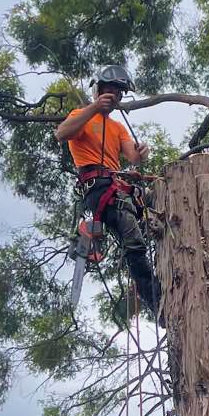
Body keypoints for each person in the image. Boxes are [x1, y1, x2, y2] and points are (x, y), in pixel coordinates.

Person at [55, 61, 161, 313]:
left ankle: (169, 260)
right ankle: (155, 299)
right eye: (109, 90)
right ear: (99, 90)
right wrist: (93, 108)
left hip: (117, 185)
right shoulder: (80, 117)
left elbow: (133, 157)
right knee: (132, 237)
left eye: (118, 92)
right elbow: (62, 134)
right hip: (99, 188)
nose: (114, 95)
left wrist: (142, 152)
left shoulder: (118, 127)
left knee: (159, 198)